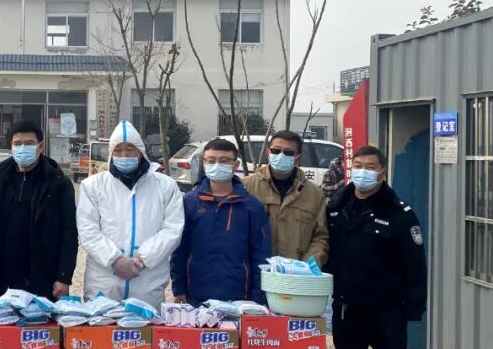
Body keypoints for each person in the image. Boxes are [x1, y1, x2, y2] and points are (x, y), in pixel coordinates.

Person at [325, 145, 427, 349]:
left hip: (386, 309)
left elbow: (415, 266)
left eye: (370, 166)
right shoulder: (338, 205)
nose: (363, 171)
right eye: (358, 165)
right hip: (347, 306)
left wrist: (413, 308)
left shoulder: (399, 212)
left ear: (382, 172)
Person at [78, 120, 184, 311]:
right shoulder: (92, 186)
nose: (124, 155)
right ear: (111, 154)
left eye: (130, 149)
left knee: (145, 327)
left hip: (147, 279)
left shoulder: (165, 186)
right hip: (104, 279)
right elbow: (88, 230)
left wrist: (142, 259)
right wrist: (115, 259)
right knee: (102, 325)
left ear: (141, 151)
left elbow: (172, 229)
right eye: (118, 150)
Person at [0, 120, 78, 302]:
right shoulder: (2, 178)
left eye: (28, 143)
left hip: (43, 275)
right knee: (5, 319)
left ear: (40, 147)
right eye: (17, 144)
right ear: (11, 146)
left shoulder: (58, 183)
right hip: (7, 276)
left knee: (41, 321)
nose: (22, 148)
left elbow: (69, 233)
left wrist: (63, 276)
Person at [170, 138, 271, 306]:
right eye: (211, 161)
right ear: (204, 163)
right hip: (196, 295)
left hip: (240, 297)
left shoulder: (252, 206)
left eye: (224, 161)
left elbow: (261, 254)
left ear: (235, 165)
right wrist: (178, 288)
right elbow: (179, 249)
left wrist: (257, 297)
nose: (217, 165)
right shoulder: (190, 202)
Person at [242, 130, 329, 266]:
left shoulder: (315, 194)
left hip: (296, 274)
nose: (281, 156)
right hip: (256, 271)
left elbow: (320, 236)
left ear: (298, 158)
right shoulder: (246, 187)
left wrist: (307, 266)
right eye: (276, 151)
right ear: (268, 153)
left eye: (288, 153)